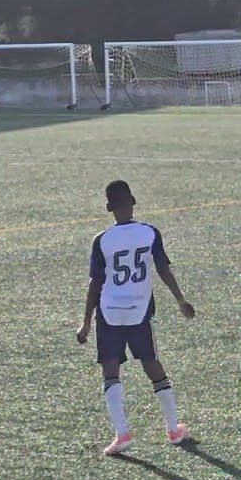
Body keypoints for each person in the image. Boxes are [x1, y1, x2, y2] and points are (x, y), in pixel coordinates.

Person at [78, 180, 196, 455]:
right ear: (133, 201)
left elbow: (95, 284)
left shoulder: (102, 240)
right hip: (139, 311)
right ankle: (173, 429)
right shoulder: (149, 233)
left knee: (110, 369)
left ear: (109, 207)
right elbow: (163, 269)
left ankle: (122, 434)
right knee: (152, 365)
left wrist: (86, 322)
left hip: (109, 313)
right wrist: (180, 299)